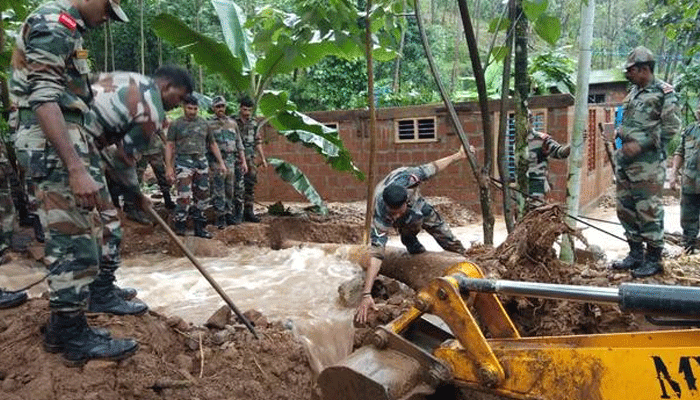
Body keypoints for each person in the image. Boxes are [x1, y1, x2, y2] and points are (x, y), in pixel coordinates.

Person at [10, 0, 139, 366]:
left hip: (67, 139)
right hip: (53, 145)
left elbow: (69, 100)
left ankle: (67, 323)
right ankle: (69, 335)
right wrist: (74, 165)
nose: (107, 21)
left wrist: (87, 153)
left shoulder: (69, 27)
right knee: (72, 238)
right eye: (108, 10)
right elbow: (44, 96)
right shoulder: (55, 23)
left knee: (88, 232)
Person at [355, 147, 469, 324]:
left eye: (397, 213)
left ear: (405, 202)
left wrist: (458, 155)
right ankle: (408, 238)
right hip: (398, 204)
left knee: (441, 230)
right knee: (407, 223)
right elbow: (377, 254)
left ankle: (463, 255)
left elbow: (435, 167)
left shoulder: (411, 177)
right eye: (391, 214)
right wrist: (366, 294)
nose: (394, 216)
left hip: (414, 204)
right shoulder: (381, 213)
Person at [610, 46, 680, 278]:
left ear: (644, 69)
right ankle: (635, 254)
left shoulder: (664, 93)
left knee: (648, 210)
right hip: (626, 162)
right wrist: (619, 131)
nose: (627, 74)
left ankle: (653, 259)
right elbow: (630, 121)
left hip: (648, 165)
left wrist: (641, 145)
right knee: (625, 209)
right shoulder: (634, 92)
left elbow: (671, 128)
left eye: (631, 70)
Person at [165, 95, 226, 238]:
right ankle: (180, 224)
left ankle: (200, 227)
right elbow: (169, 145)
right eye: (189, 108)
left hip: (201, 162)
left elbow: (212, 144)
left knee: (202, 196)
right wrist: (169, 167)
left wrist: (221, 163)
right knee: (184, 196)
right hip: (183, 162)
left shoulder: (204, 124)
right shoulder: (176, 124)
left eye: (195, 109)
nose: (192, 111)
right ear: (183, 107)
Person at [208, 96, 247, 228]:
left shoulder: (232, 123)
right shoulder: (209, 124)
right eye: (218, 106)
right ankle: (220, 216)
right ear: (213, 108)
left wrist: (243, 161)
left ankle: (229, 213)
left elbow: (239, 143)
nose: (220, 109)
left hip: (231, 160)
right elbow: (206, 145)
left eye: (222, 106)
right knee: (218, 190)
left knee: (230, 189)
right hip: (216, 162)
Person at [669, 105, 700, 254]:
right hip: (690, 183)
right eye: (699, 108)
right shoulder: (690, 130)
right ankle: (689, 247)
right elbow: (680, 151)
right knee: (688, 217)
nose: (699, 111)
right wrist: (674, 172)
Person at [526, 112, 570, 209]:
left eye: (525, 119)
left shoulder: (541, 140)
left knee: (535, 218)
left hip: (538, 188)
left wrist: (574, 143)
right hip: (521, 190)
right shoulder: (517, 142)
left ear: (531, 121)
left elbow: (561, 153)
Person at [235, 97, 267, 223]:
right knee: (237, 186)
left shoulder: (254, 123)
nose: (247, 112)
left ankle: (249, 211)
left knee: (250, 186)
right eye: (244, 109)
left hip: (250, 158)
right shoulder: (233, 122)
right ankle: (237, 213)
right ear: (240, 108)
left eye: (249, 110)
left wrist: (263, 158)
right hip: (236, 158)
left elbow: (258, 141)